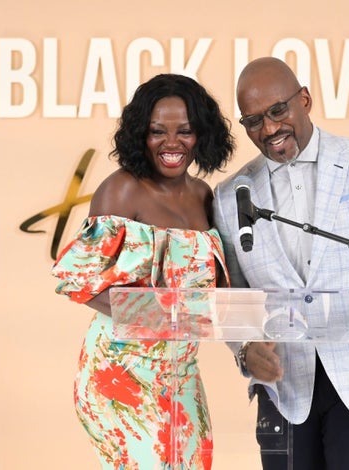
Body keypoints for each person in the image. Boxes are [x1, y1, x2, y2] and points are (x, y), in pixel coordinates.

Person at [213, 57, 349, 469]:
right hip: (284, 391)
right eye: (254, 121)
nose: (269, 129)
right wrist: (245, 349)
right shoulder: (230, 196)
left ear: (305, 100)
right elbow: (233, 295)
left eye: (278, 110)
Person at [51, 73, 235, 469]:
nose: (172, 143)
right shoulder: (122, 190)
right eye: (157, 132)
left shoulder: (203, 196)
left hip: (182, 372)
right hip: (121, 372)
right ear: (141, 135)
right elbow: (76, 280)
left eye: (185, 131)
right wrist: (157, 313)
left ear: (201, 134)